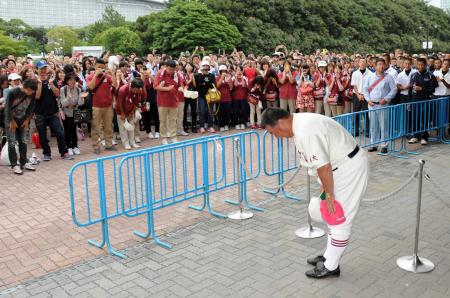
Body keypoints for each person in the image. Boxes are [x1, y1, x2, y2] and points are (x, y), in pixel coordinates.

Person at [261, 107, 369, 279]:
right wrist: (325, 192)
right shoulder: (299, 124)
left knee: (339, 216)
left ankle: (331, 266)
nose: (276, 137)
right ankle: (329, 256)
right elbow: (322, 165)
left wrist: (329, 196)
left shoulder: (305, 131)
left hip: (348, 168)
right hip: (339, 167)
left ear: (281, 122)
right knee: (331, 214)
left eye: (273, 132)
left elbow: (323, 166)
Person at [34, 60, 73, 161]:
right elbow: (37, 96)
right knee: (42, 136)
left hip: (52, 112)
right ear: (36, 69)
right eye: (41, 68)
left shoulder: (52, 79)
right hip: (39, 113)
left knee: (59, 133)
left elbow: (57, 94)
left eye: (45, 68)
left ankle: (64, 152)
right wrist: (39, 83)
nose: (43, 70)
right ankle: (46, 153)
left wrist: (51, 84)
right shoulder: (33, 81)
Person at [362, 58, 397, 153]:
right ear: (375, 66)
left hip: (383, 105)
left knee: (384, 125)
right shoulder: (370, 77)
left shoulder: (388, 77)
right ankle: (373, 144)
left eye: (383, 64)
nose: (381, 66)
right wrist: (368, 100)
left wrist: (386, 99)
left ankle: (384, 145)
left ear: (385, 65)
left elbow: (394, 89)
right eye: (379, 64)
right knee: (373, 125)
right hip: (372, 104)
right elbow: (365, 89)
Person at [4, 79, 38, 175]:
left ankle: (24, 162)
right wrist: (11, 121)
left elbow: (32, 106)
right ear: (24, 87)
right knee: (12, 142)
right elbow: (7, 108)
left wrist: (27, 119)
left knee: (23, 141)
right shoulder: (13, 92)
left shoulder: (32, 93)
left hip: (23, 119)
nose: (31, 93)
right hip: (10, 119)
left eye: (32, 92)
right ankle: (14, 165)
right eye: (30, 91)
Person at [86, 58, 118, 154]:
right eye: (99, 67)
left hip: (108, 106)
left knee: (108, 127)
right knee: (96, 127)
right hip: (96, 106)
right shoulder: (90, 76)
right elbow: (91, 87)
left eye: (102, 67)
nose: (101, 69)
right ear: (95, 66)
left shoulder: (107, 76)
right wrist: (95, 75)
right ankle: (96, 146)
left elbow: (114, 85)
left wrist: (112, 74)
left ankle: (109, 144)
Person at [408, 58, 438, 145]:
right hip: (415, 99)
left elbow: (432, 90)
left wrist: (422, 89)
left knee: (424, 118)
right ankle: (415, 136)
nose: (420, 66)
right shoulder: (413, 75)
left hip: (425, 100)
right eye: (419, 65)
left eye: (422, 65)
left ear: (425, 65)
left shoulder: (430, 75)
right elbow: (410, 89)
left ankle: (424, 137)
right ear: (416, 65)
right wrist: (409, 102)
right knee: (415, 118)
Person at [154, 59, 182, 145]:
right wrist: (167, 88)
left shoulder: (177, 74)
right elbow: (155, 87)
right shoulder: (160, 74)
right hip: (162, 102)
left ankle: (173, 137)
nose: (171, 71)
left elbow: (180, 85)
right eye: (170, 69)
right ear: (166, 67)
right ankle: (164, 138)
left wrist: (181, 88)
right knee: (163, 121)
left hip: (174, 101)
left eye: (173, 69)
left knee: (173, 120)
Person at [116, 78, 146, 150]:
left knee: (132, 127)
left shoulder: (138, 91)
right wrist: (123, 114)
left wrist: (131, 113)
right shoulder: (122, 90)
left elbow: (136, 103)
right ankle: (126, 143)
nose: (136, 92)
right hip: (121, 111)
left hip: (130, 111)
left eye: (138, 90)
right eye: (135, 90)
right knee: (123, 128)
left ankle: (132, 142)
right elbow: (119, 103)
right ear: (131, 87)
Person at [59, 73, 84, 155]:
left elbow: (80, 103)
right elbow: (63, 103)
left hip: (75, 111)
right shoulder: (63, 89)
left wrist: (81, 98)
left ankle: (75, 146)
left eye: (73, 80)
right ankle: (69, 147)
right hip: (65, 112)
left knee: (74, 129)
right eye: (70, 80)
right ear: (66, 81)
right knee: (67, 130)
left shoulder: (78, 89)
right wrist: (68, 98)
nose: (72, 81)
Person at [350, 59, 371, 137]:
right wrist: (358, 95)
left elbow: (370, 86)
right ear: (358, 63)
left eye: (364, 62)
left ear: (366, 63)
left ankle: (368, 131)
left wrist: (364, 95)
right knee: (356, 113)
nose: (362, 63)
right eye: (360, 62)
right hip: (356, 95)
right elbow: (354, 85)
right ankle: (356, 131)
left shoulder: (370, 73)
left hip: (366, 95)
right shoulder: (355, 73)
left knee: (367, 114)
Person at [194, 61, 216, 133]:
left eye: (207, 66)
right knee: (202, 112)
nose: (205, 67)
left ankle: (210, 126)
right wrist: (204, 79)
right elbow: (198, 85)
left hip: (210, 96)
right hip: (201, 96)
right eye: (204, 66)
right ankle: (202, 126)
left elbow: (213, 85)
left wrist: (204, 84)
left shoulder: (212, 75)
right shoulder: (198, 75)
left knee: (210, 112)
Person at [217, 65, 233, 131]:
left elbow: (231, 88)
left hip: (228, 98)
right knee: (220, 113)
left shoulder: (229, 77)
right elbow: (217, 86)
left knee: (227, 112)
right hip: (219, 98)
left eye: (224, 71)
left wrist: (228, 80)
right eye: (222, 71)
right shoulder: (217, 77)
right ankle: (221, 125)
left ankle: (226, 124)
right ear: (220, 72)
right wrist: (222, 78)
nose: (223, 72)